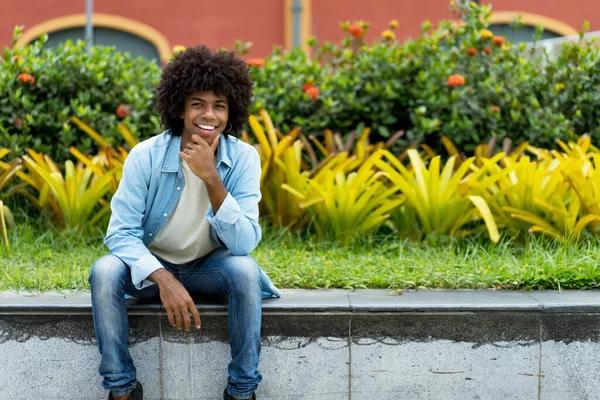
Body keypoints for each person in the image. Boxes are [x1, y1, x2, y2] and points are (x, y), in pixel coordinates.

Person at [89, 45, 280, 400]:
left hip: (208, 268)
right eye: (198, 104)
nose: (209, 115)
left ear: (231, 111)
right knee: (104, 273)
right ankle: (122, 391)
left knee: (245, 271)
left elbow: (243, 244)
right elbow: (120, 233)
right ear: (180, 108)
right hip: (151, 266)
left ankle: (242, 391)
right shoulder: (146, 156)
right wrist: (160, 278)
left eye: (219, 105)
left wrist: (212, 179)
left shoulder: (243, 159)